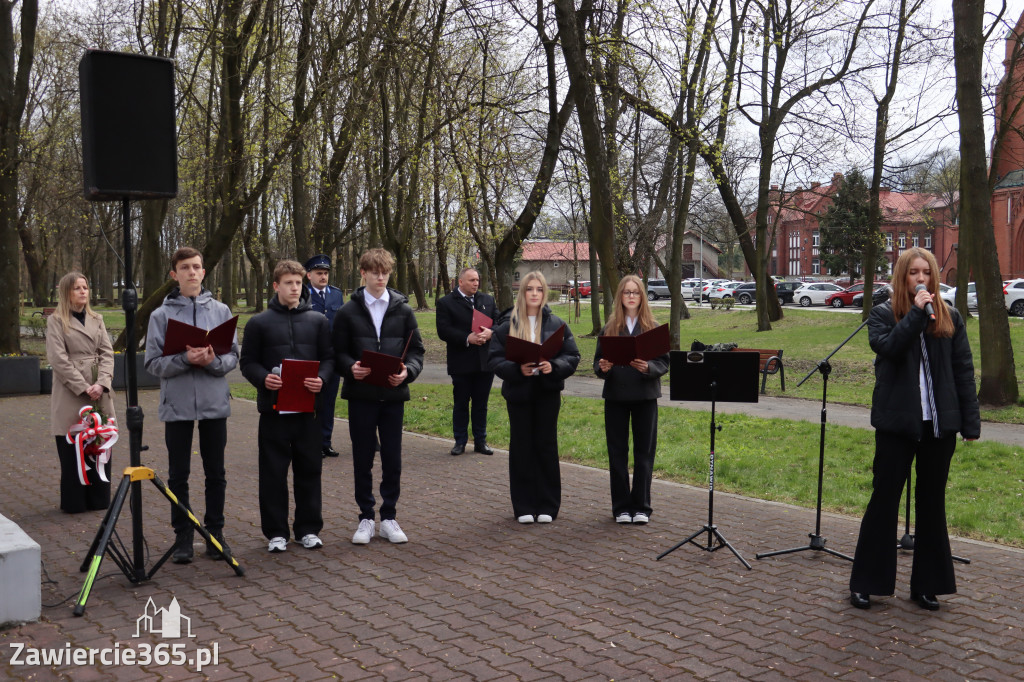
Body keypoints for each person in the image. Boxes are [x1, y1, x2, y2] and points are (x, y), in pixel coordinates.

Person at [849, 247, 980, 611]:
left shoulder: (950, 316)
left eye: (926, 272)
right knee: (884, 500)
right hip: (897, 425)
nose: (921, 278)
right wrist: (916, 316)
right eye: (913, 273)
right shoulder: (882, 314)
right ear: (902, 277)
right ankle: (867, 583)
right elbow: (889, 348)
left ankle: (927, 585)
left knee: (932, 504)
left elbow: (963, 372)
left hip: (939, 427)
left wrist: (970, 422)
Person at [145, 247, 239, 564]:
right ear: (174, 274)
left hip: (214, 402)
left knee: (216, 472)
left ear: (203, 272)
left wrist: (213, 362)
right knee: (178, 475)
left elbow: (232, 356)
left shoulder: (221, 311)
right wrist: (185, 358)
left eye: (197, 267)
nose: (192, 272)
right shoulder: (160, 315)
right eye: (185, 267)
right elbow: (152, 363)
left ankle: (215, 534)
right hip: (177, 404)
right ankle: (183, 535)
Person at [240, 259, 334, 553]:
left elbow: (329, 359)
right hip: (274, 412)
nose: (294, 288)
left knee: (310, 471)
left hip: (309, 411)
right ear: (276, 286)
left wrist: (322, 379)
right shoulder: (258, 323)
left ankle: (308, 529)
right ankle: (276, 533)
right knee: (273, 474)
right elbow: (248, 363)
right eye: (288, 283)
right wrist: (263, 378)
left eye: (298, 283)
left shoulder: (318, 321)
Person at [332, 248, 424, 545]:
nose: (381, 278)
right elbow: (337, 352)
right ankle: (365, 518)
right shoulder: (347, 312)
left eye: (385, 272)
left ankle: (389, 517)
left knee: (392, 458)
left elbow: (416, 351)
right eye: (375, 272)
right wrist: (350, 367)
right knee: (362, 458)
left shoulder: (404, 310)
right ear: (363, 273)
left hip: (393, 396)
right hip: (361, 395)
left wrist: (408, 372)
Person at [488, 271, 580, 524]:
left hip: (547, 393)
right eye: (530, 289)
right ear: (523, 293)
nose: (534, 294)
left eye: (539, 289)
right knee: (521, 447)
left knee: (546, 446)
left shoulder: (557, 324)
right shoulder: (507, 326)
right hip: (519, 394)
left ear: (544, 293)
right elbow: (494, 359)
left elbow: (572, 356)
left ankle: (548, 505)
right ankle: (524, 506)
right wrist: (518, 370)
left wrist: (554, 366)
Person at [593, 276, 669, 525]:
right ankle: (621, 508)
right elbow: (597, 363)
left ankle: (642, 507)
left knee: (644, 453)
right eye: (627, 292)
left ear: (642, 296)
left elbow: (664, 362)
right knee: (617, 453)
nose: (631, 296)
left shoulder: (652, 327)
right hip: (616, 395)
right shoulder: (610, 327)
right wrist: (603, 368)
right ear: (620, 297)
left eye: (635, 292)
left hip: (645, 396)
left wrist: (648, 367)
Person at [46, 272, 116, 513]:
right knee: (72, 445)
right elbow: (58, 359)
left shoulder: (97, 318)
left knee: (100, 442)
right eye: (77, 288)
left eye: (85, 287)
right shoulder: (56, 321)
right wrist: (83, 387)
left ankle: (99, 498)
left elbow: (107, 353)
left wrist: (102, 383)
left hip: (99, 389)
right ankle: (75, 501)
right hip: (71, 392)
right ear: (67, 292)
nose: (83, 291)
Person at [435, 267, 497, 456]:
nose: (476, 283)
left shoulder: (487, 300)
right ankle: (460, 442)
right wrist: (466, 338)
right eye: (471, 280)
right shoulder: (446, 303)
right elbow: (443, 330)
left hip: (484, 362)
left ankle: (480, 441)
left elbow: (500, 321)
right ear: (460, 282)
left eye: (477, 280)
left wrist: (491, 332)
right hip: (461, 362)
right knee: (461, 403)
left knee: (481, 404)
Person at [304, 254, 345, 458]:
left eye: (326, 273)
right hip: (311, 355)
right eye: (319, 273)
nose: (323, 277)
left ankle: (325, 442)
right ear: (309, 275)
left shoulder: (336, 295)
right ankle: (311, 442)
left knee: (328, 401)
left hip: (332, 356)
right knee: (310, 401)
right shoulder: (303, 294)